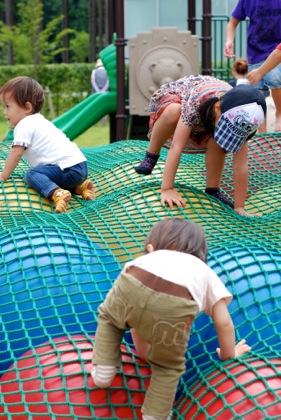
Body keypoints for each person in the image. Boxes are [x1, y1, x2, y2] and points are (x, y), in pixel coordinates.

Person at [91, 218, 251, 420]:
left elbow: (137, 319)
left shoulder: (150, 256)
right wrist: (229, 354)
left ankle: (103, 368)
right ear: (201, 255)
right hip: (174, 305)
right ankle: (155, 414)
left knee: (110, 319)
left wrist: (143, 353)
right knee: (167, 366)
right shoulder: (205, 272)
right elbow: (224, 322)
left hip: (131, 278)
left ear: (151, 247)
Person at [134, 75, 266, 217]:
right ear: (217, 109)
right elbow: (176, 147)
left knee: (217, 139)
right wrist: (167, 189)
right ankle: (151, 155)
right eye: (226, 128)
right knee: (173, 111)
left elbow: (241, 165)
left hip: (211, 115)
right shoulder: (195, 104)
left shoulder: (245, 120)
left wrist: (239, 206)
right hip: (179, 99)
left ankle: (212, 188)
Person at [0, 76, 95, 213]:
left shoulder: (24, 124)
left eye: (8, 106)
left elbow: (16, 152)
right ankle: (81, 186)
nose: (5, 112)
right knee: (49, 173)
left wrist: (4, 175)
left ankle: (57, 193)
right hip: (81, 168)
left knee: (32, 175)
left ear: (27, 107)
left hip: (67, 170)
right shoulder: (39, 120)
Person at [224, 0, 281, 132]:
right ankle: (262, 135)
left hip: (277, 49)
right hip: (256, 52)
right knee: (258, 94)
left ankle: (279, 113)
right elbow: (233, 22)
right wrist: (229, 41)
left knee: (274, 77)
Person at [91, 58, 109, 126]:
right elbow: (108, 82)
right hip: (105, 92)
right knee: (104, 107)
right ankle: (103, 123)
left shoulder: (94, 71)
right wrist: (103, 90)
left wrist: (98, 90)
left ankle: (95, 123)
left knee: (95, 107)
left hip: (95, 92)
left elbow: (93, 81)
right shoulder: (106, 71)